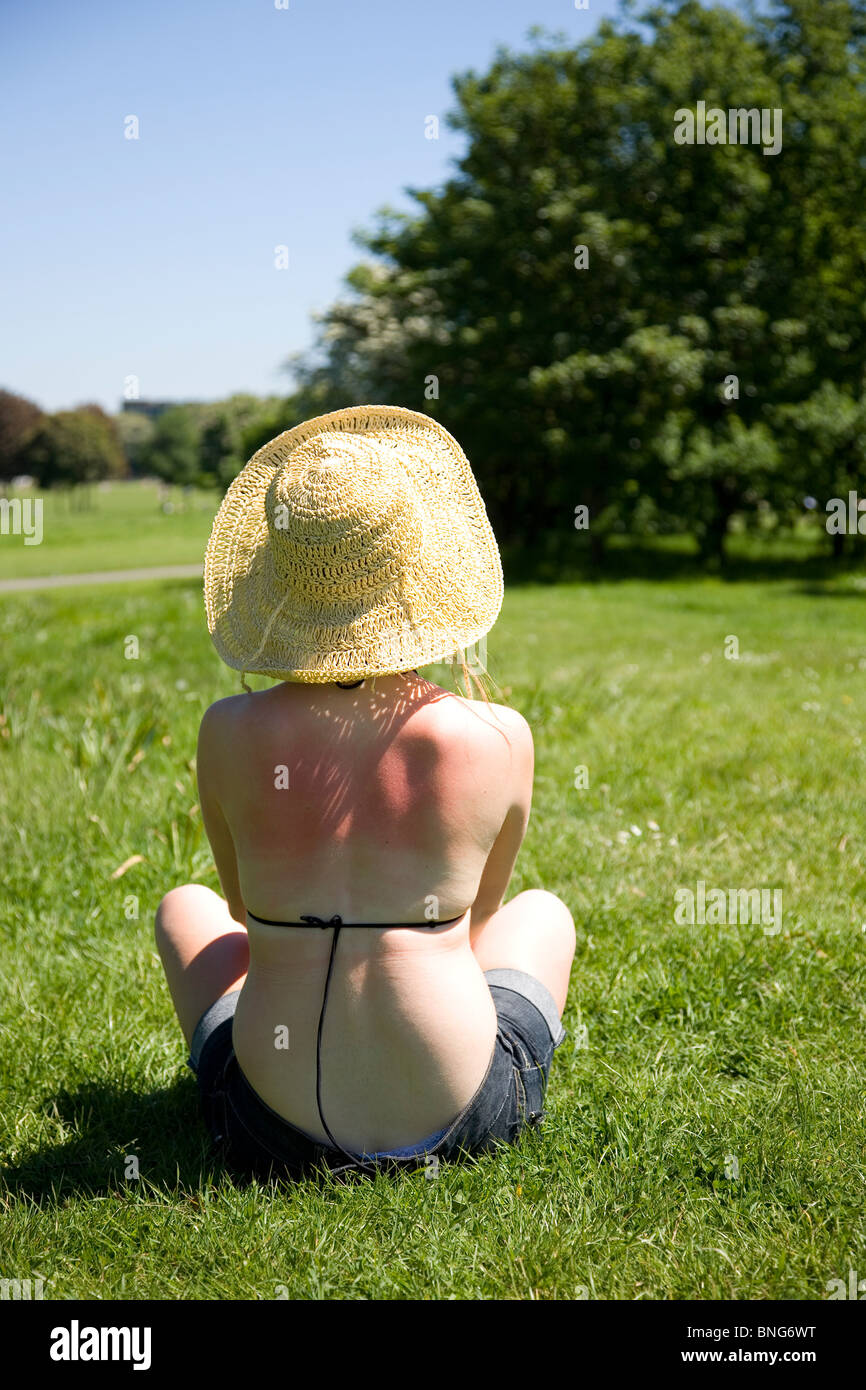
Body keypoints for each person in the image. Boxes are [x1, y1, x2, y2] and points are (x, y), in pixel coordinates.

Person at [155, 404, 575, 1179]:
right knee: (542, 914)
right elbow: (480, 926)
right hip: (464, 1112)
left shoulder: (228, 731)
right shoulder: (498, 735)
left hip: (264, 1126)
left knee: (185, 906)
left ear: (280, 580)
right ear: (419, 570)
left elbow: (243, 914)